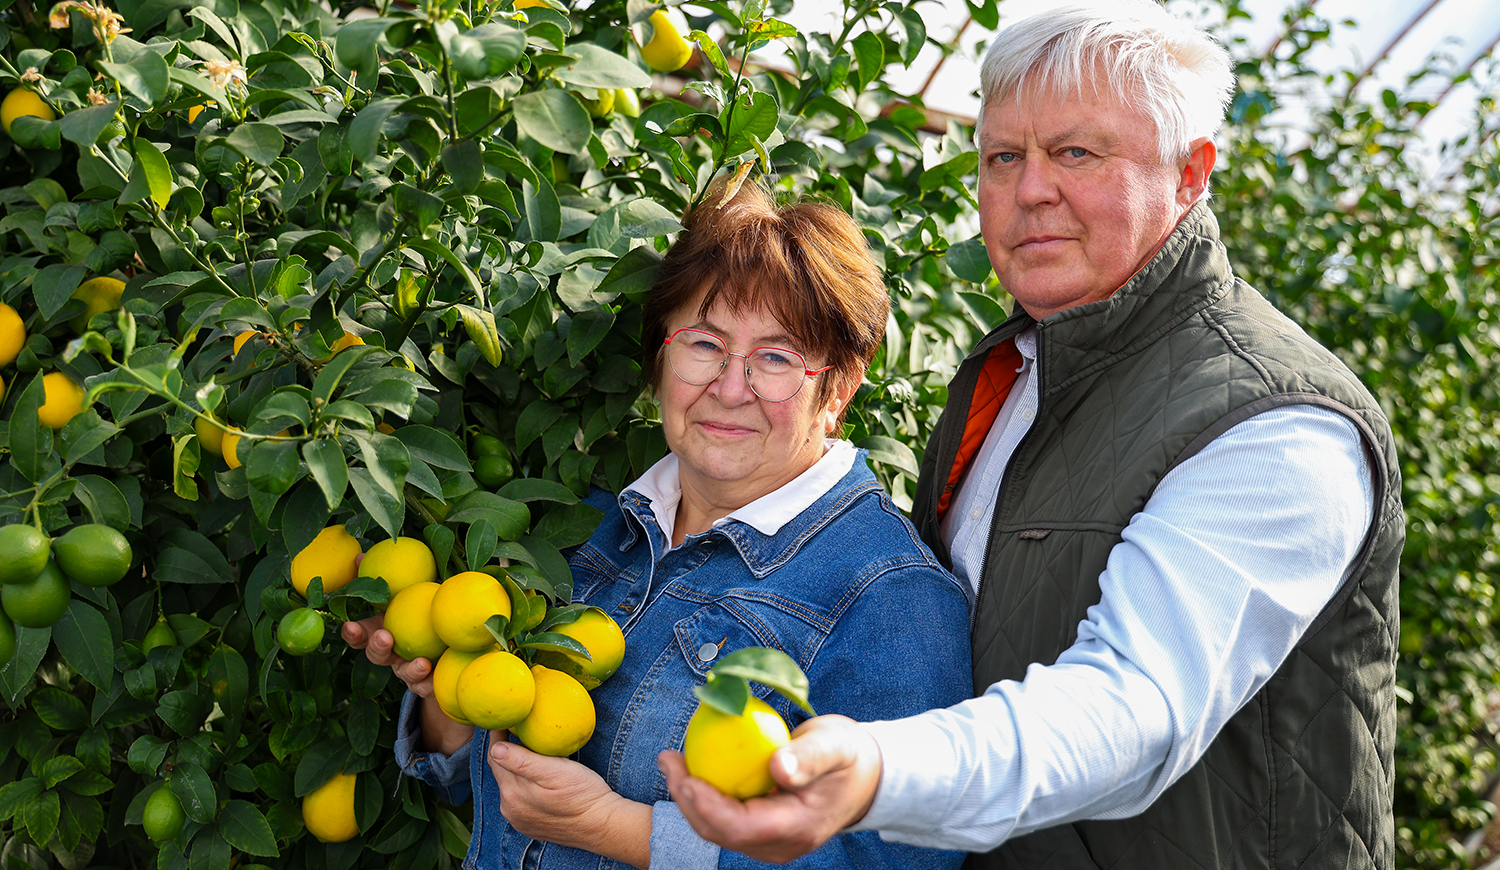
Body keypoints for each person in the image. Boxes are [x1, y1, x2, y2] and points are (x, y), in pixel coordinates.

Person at [658, 2, 1405, 869]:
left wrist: (877, 770)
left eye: (1077, 152)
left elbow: (1132, 707)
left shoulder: (1277, 423)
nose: (1031, 189)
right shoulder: (1013, 373)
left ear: (1191, 173)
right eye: (1003, 156)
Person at [342, 179, 973, 869]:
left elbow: (893, 862)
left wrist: (621, 829)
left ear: (838, 390)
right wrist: (451, 698)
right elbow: (492, 789)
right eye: (705, 344)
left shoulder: (890, 599)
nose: (730, 389)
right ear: (662, 357)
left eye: (775, 358)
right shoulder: (591, 526)